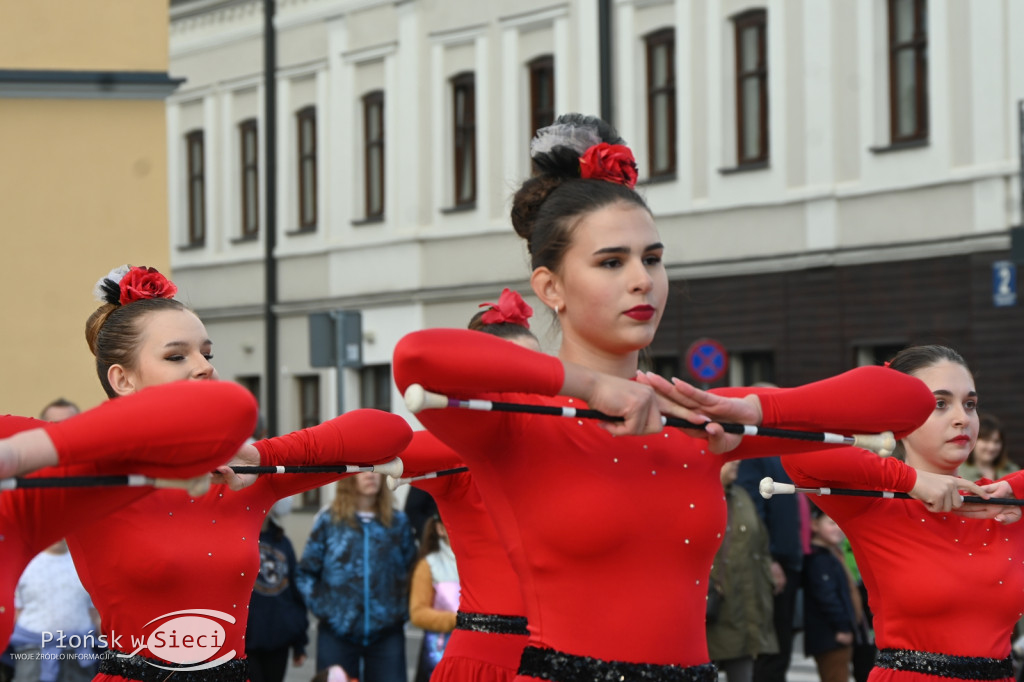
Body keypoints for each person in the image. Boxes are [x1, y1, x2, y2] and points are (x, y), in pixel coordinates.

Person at [393, 112, 944, 681]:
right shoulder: (515, 421)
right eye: (612, 262)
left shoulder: (696, 418)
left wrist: (752, 410)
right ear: (550, 287)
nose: (642, 280)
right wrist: (590, 386)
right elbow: (416, 356)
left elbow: (906, 401)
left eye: (652, 259)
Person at [63, 264, 413, 682]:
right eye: (177, 356)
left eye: (206, 354)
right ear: (122, 379)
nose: (204, 367)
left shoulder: (241, 474)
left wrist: (255, 452)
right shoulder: (83, 475)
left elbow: (388, 432)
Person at [782, 345, 1024, 682]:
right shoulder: (877, 501)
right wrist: (910, 480)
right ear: (898, 420)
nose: (962, 418)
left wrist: (1015, 486)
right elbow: (797, 451)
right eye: (939, 404)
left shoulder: (1003, 506)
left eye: (970, 404)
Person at [0, 379, 260, 650]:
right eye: (175, 357)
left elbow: (232, 406)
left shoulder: (17, 507)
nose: (202, 367)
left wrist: (19, 453)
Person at [395, 288, 537, 682]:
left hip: (559, 659)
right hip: (482, 662)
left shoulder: (560, 447)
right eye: (517, 369)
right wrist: (260, 458)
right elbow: (413, 359)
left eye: (540, 369)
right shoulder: (454, 455)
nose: (535, 381)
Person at [296, 472, 416, 682]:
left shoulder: (398, 523)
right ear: (349, 477)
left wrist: (401, 611)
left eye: (377, 470)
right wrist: (326, 608)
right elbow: (305, 572)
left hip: (387, 633)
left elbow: (413, 571)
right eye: (364, 470)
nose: (372, 475)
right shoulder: (329, 521)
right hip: (337, 632)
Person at [734, 455, 807, 682]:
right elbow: (753, 511)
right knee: (772, 648)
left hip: (794, 561)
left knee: (783, 643)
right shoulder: (758, 457)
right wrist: (771, 559)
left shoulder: (786, 456)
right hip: (775, 563)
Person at [706, 460, 777, 682]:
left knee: (744, 670)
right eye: (728, 457)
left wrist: (767, 580)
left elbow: (761, 545)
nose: (737, 461)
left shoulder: (742, 496)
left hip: (745, 608)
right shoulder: (698, 495)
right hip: (713, 608)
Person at [11, 539, 99, 682]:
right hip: (33, 653)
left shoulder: (85, 564)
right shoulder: (24, 564)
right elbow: (15, 611)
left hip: (78, 654)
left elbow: (95, 613)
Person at [244, 497, 309, 682]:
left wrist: (299, 642)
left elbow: (294, 592)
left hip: (278, 639)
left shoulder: (283, 543)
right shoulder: (237, 540)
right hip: (245, 642)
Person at [801, 507, 856, 682]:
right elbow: (827, 597)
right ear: (815, 525)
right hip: (831, 637)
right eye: (831, 523)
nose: (838, 528)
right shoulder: (819, 560)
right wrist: (842, 627)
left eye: (839, 523)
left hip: (833, 636)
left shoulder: (830, 555)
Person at [410, 515, 460, 682]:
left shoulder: (481, 561)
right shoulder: (428, 565)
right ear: (440, 529)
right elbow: (418, 613)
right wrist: (460, 620)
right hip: (438, 652)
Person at [960, 414, 1018, 483]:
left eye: (996, 441)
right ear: (973, 440)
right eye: (986, 440)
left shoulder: (1012, 470)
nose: (992, 447)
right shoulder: (958, 471)